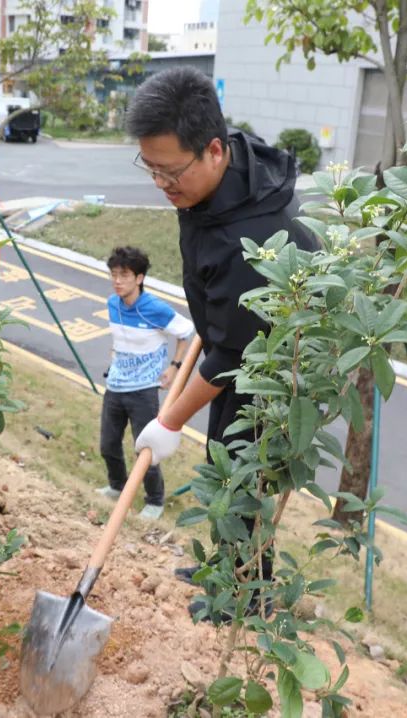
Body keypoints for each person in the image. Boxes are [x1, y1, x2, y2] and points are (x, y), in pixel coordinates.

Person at [125, 68, 320, 619]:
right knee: (224, 459)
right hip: (235, 336)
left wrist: (167, 422)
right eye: (151, 169)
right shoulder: (222, 171)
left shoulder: (252, 239)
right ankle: (230, 568)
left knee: (244, 469)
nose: (162, 184)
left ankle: (245, 598)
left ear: (213, 150)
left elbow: (236, 357)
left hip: (274, 367)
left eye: (171, 171)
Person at [97, 246, 193, 521]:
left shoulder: (154, 308)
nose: (117, 281)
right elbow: (120, 338)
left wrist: (174, 367)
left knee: (147, 449)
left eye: (124, 275)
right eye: (114, 274)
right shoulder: (112, 303)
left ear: (139, 278)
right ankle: (116, 485)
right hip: (115, 386)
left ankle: (155, 500)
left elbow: (186, 332)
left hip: (143, 391)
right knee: (108, 444)